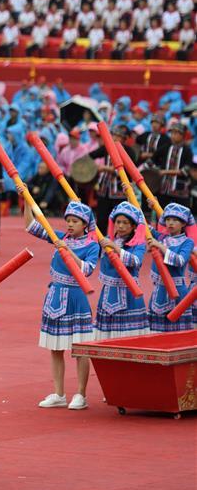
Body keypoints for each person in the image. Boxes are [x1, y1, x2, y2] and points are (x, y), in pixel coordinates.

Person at [24, 201, 98, 410]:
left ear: (85, 224)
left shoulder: (92, 245)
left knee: (80, 349)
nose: (70, 224)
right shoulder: (60, 237)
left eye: (75, 221)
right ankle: (59, 393)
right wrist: (27, 202)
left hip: (77, 299)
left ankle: (81, 394)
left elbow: (87, 270)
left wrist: (68, 251)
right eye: (68, 221)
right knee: (55, 348)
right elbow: (31, 226)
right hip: (55, 296)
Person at [95, 202, 148, 339]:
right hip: (108, 295)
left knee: (129, 341)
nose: (121, 226)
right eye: (118, 222)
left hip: (130, 295)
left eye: (125, 223)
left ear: (133, 226)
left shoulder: (139, 244)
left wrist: (116, 249)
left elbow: (136, 261)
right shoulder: (106, 241)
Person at [147, 203, 195, 332]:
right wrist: (131, 197)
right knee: (156, 335)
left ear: (183, 223)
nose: (170, 223)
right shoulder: (162, 237)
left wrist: (160, 246)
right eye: (168, 219)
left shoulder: (187, 242)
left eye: (175, 220)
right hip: (159, 291)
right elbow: (143, 226)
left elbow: (180, 260)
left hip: (178, 291)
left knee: (177, 335)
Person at [154, 122, 192, 208]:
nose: (173, 135)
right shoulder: (166, 148)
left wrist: (164, 172)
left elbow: (185, 171)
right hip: (163, 188)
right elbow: (153, 159)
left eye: (176, 133)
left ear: (182, 135)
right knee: (161, 212)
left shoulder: (187, 151)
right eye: (172, 133)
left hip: (180, 189)